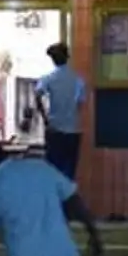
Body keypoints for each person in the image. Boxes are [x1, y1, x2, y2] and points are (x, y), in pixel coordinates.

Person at [37, 44, 88, 180]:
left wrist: (45, 118)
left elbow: (37, 95)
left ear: (53, 59)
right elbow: (81, 104)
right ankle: (65, 199)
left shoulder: (48, 78)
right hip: (73, 131)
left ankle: (54, 200)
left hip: (55, 129)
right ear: (67, 57)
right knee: (69, 173)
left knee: (52, 173)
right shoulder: (78, 79)